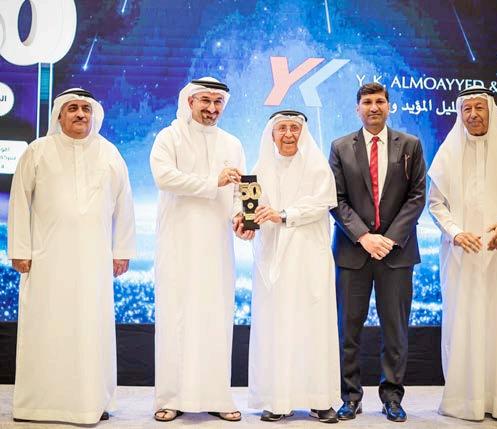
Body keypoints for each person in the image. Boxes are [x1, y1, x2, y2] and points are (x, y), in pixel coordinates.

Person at [8, 88, 136, 424]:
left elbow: (124, 204)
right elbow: (19, 201)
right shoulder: (37, 151)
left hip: (95, 260)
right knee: (46, 326)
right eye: (73, 108)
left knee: (91, 328)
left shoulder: (109, 153)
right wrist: (19, 249)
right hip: (47, 259)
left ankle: (92, 401)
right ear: (59, 115)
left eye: (85, 109)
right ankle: (38, 405)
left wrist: (122, 250)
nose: (80, 114)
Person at [428, 86, 497, 422]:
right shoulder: (449, 154)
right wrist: (456, 233)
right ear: (460, 114)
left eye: (479, 108)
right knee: (463, 324)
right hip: (462, 256)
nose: (473, 115)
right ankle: (464, 401)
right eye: (467, 109)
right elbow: (436, 204)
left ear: (490, 111)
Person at [329, 83, 426, 422]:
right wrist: (364, 237)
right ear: (357, 108)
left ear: (389, 106)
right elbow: (336, 199)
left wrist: (390, 239)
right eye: (367, 102)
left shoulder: (410, 145)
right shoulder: (340, 147)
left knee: (395, 331)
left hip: (396, 254)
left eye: (380, 101)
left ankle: (392, 398)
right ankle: (350, 397)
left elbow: (417, 196)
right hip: (353, 252)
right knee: (348, 330)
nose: (374, 107)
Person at [150, 77, 245, 422]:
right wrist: (211, 182)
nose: (212, 108)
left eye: (218, 102)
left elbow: (239, 191)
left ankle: (217, 396)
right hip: (178, 245)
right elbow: (164, 178)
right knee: (175, 318)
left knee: (216, 318)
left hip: (217, 248)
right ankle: (170, 398)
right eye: (205, 100)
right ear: (190, 102)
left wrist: (241, 217)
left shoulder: (232, 143)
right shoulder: (169, 137)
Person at [236, 110, 340, 423]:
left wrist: (282, 215)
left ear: (303, 133)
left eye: (294, 128)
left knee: (314, 327)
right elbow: (248, 213)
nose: (289, 134)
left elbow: (320, 204)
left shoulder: (317, 167)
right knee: (276, 327)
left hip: (309, 260)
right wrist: (243, 224)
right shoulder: (258, 171)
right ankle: (277, 400)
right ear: (272, 134)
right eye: (282, 128)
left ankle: (320, 400)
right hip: (273, 264)